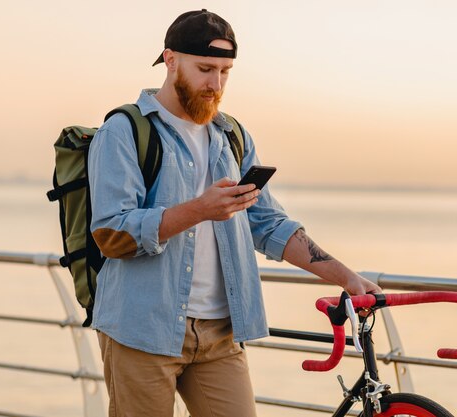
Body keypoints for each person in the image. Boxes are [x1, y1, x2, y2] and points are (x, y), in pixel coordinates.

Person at [88, 9, 381, 417]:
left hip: (221, 334)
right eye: (205, 68)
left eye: (226, 72)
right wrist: (200, 209)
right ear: (170, 60)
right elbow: (112, 233)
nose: (216, 84)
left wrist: (347, 277)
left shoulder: (232, 137)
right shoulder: (124, 131)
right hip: (142, 330)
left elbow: (269, 224)